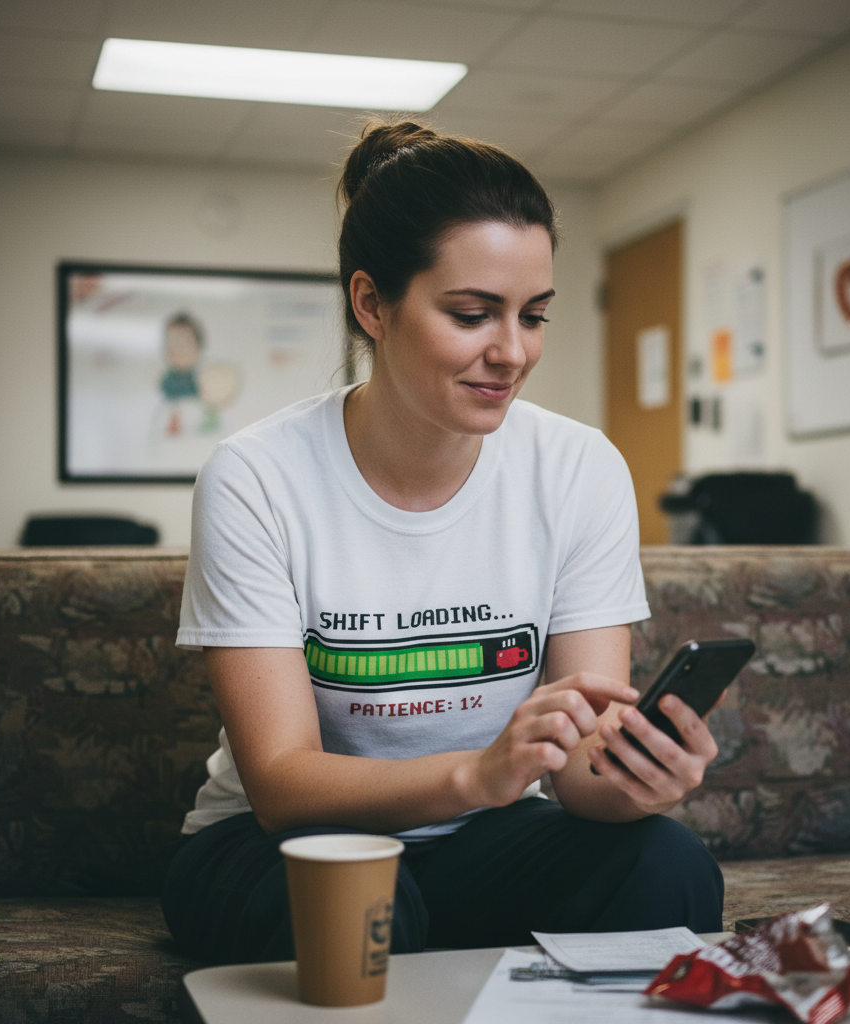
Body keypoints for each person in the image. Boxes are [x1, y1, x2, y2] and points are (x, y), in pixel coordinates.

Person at [162, 121, 723, 965]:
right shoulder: (256, 476)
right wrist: (478, 772)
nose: (511, 352)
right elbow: (279, 783)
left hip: (482, 840)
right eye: (472, 314)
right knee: (360, 909)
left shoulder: (578, 469)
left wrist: (639, 780)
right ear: (370, 304)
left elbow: (575, 773)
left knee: (668, 864)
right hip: (280, 847)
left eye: (532, 315)